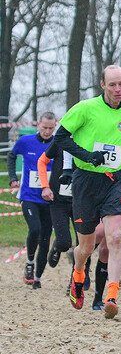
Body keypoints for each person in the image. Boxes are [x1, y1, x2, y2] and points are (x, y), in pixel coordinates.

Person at [55, 65, 121, 319]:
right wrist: (88, 156)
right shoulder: (85, 108)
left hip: (114, 181)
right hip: (85, 181)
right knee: (86, 246)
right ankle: (78, 273)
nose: (117, 89)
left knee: (114, 238)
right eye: (112, 84)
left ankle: (111, 295)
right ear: (102, 84)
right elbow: (60, 138)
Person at [8, 112, 56, 287]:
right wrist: (13, 178)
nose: (47, 131)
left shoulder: (57, 144)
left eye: (51, 128)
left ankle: (37, 277)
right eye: (44, 128)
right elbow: (12, 157)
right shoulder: (25, 141)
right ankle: (29, 262)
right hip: (29, 196)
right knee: (35, 229)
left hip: (49, 199)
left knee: (45, 238)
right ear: (38, 125)